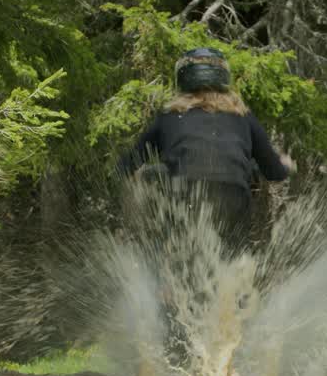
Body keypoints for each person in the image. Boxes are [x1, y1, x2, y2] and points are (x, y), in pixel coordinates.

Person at [117, 47, 293, 257]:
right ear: (223, 78)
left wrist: (139, 176)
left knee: (173, 253)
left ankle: (163, 279)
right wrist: (285, 164)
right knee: (233, 262)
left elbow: (125, 166)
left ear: (182, 78)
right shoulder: (243, 116)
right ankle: (235, 281)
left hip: (184, 192)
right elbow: (275, 173)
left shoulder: (170, 116)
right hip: (234, 195)